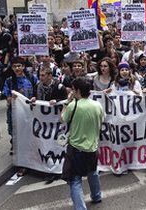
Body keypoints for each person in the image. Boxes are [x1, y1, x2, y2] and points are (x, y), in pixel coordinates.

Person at [61, 77, 104, 209]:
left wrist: (66, 103)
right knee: (92, 172)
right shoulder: (97, 105)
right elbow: (102, 120)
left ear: (78, 90)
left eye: (73, 89)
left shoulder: (73, 106)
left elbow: (62, 119)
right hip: (92, 147)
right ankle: (96, 196)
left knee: (75, 180)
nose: (72, 92)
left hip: (76, 149)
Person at [30, 66, 67, 183]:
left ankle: (59, 169)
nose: (40, 78)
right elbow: (34, 97)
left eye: (43, 75)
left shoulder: (59, 87)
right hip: (44, 123)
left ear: (50, 76)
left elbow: (66, 102)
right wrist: (33, 98)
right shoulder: (37, 86)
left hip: (57, 123)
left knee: (57, 145)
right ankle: (48, 169)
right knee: (46, 145)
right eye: (39, 75)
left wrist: (57, 101)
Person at [3, 57, 38, 159]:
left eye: (19, 66)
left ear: (23, 66)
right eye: (14, 66)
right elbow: (7, 98)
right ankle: (15, 145)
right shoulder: (9, 81)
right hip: (13, 112)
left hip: (29, 111)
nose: (17, 68)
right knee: (13, 130)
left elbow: (37, 92)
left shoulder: (32, 78)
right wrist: (11, 98)